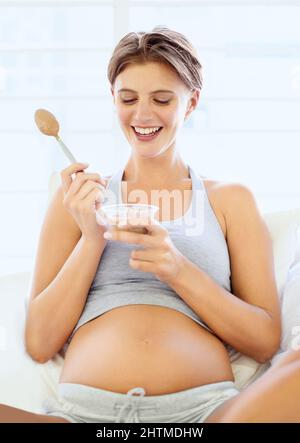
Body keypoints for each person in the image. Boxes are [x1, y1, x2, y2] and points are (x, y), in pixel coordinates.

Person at [1, 25, 300, 423]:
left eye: (162, 99)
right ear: (113, 99)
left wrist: (176, 267)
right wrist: (92, 239)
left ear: (191, 103)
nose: (142, 115)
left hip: (206, 414)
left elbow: (264, 343)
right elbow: (40, 344)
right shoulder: (76, 199)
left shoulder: (230, 200)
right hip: (82, 416)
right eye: (128, 98)